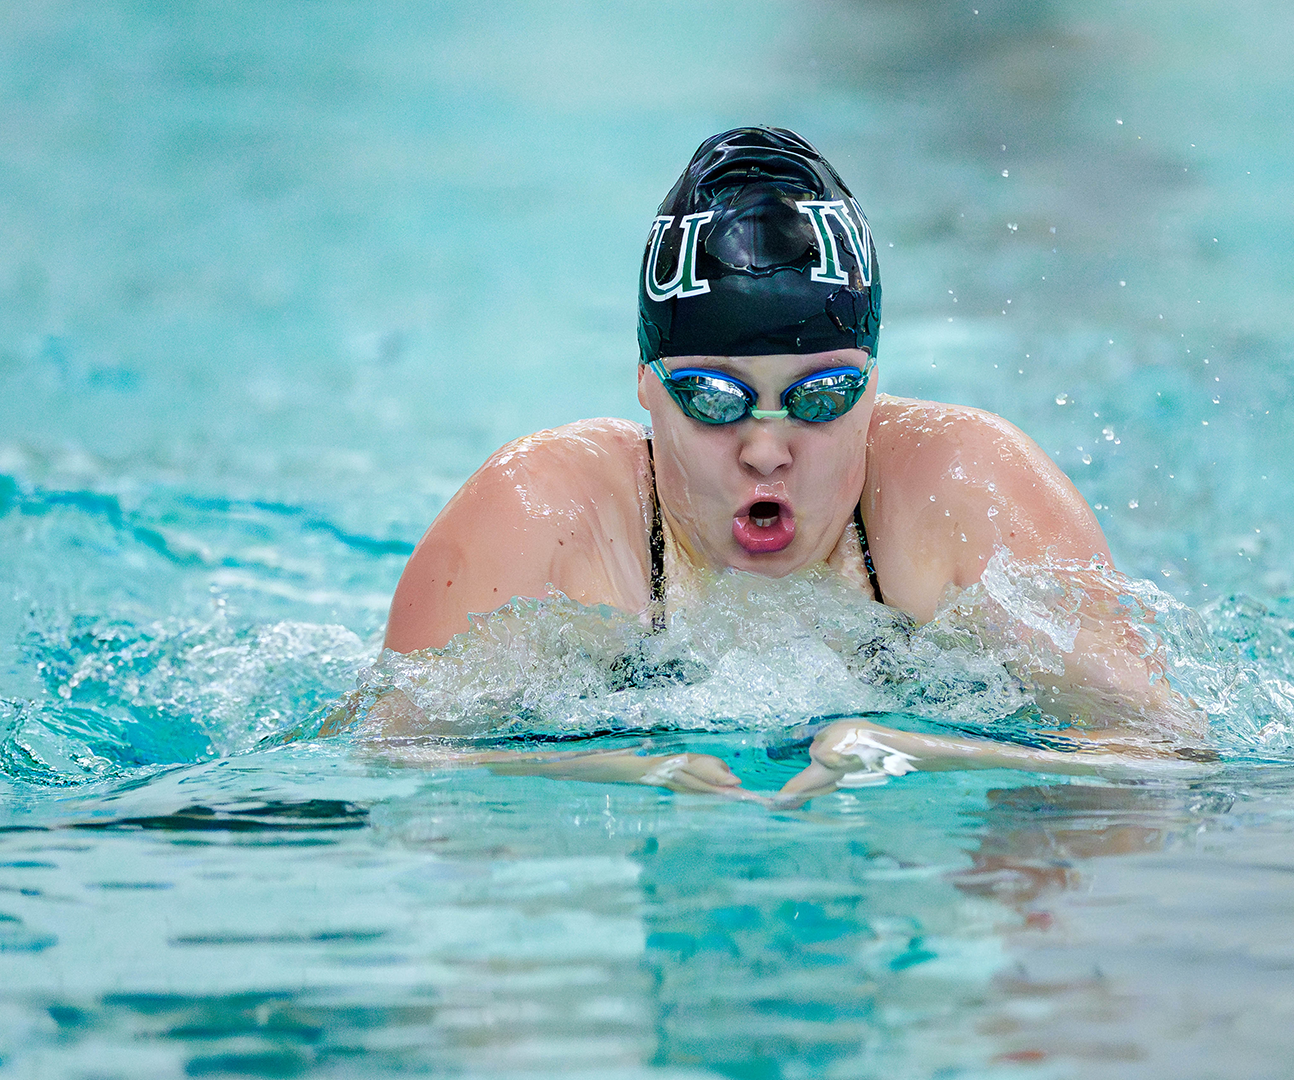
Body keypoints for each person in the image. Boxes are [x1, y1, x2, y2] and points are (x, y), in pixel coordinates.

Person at [377, 126, 1206, 805]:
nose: (766, 449)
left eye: (820, 396)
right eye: (711, 397)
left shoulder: (967, 491)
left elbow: (1168, 753)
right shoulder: (544, 518)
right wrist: (613, 767)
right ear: (645, 384)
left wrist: (922, 753)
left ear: (874, 386)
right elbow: (386, 766)